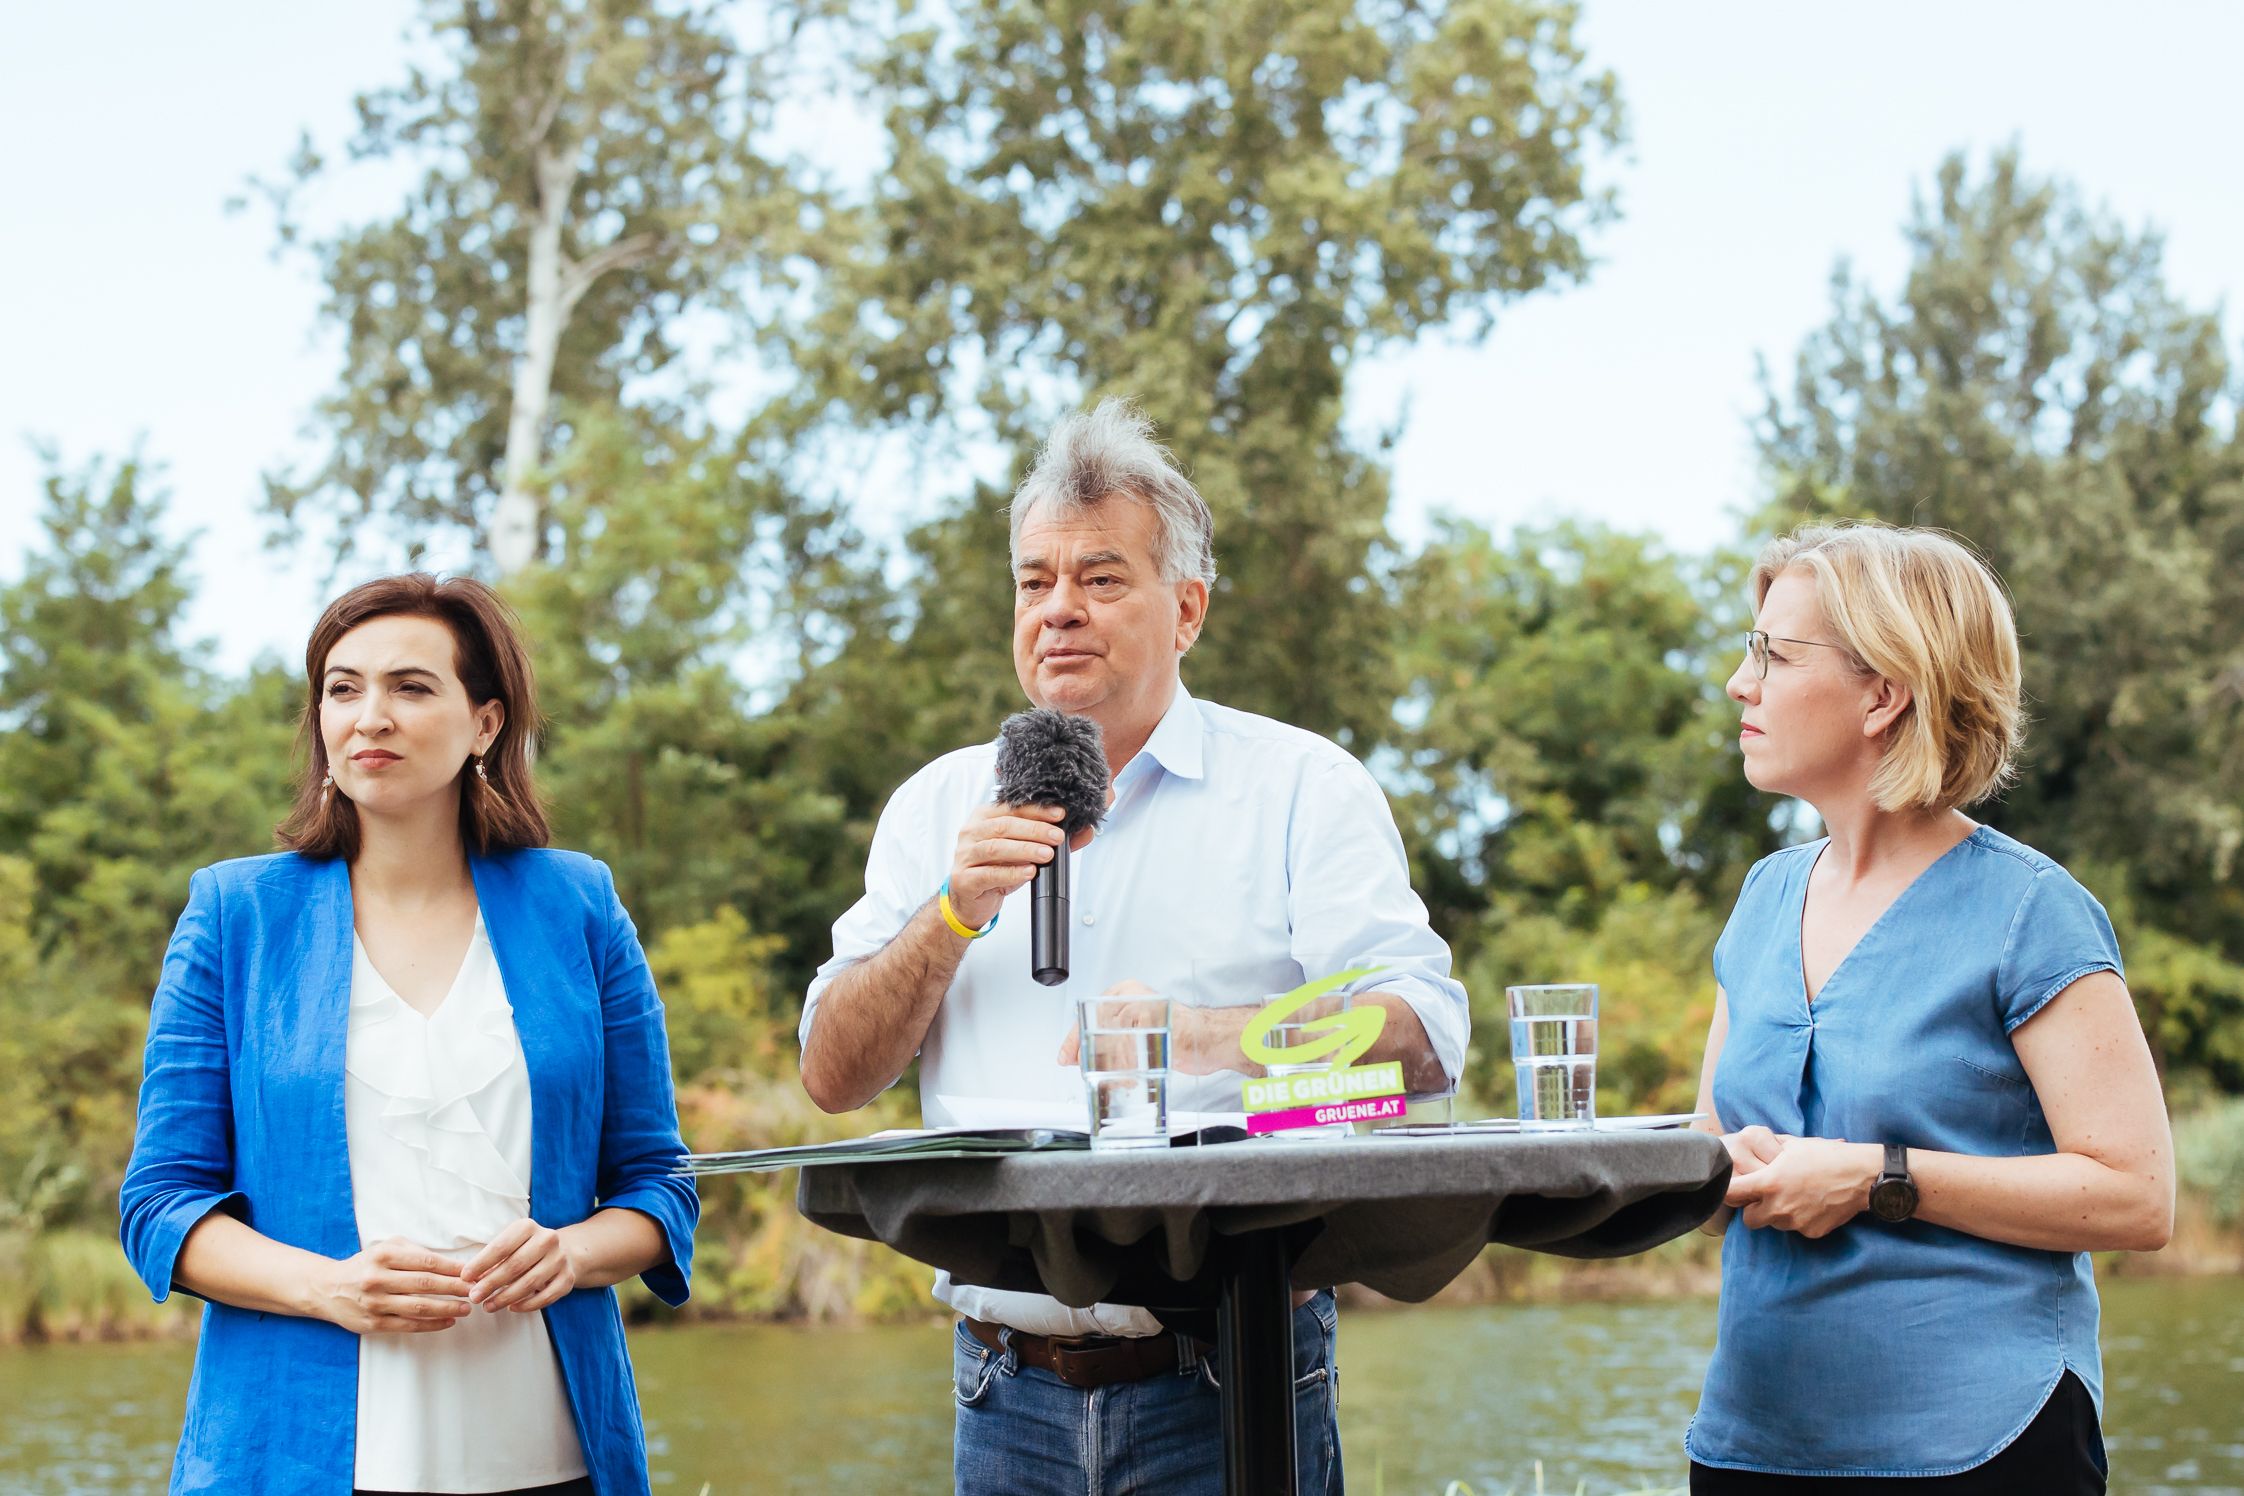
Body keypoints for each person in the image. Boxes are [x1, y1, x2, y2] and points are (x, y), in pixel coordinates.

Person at [799, 399, 1467, 1495]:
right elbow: (832, 1075)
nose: (1059, 608)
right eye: (1035, 581)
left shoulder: (1301, 786)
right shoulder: (935, 807)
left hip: (1234, 1369)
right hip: (1001, 1385)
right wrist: (952, 913)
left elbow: (1426, 1042)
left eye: (1101, 578)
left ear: (1187, 609)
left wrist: (1205, 1036)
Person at [119, 574, 698, 1496]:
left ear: (486, 724)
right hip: (294, 1457)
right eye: (343, 689)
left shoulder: (580, 904)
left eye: (412, 687)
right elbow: (161, 1204)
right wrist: (326, 1287)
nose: (370, 716)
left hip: (551, 1454)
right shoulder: (236, 915)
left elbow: (659, 1184)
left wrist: (573, 1252)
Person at [1685, 522, 2173, 1492]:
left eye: (1775, 654)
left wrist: (1877, 1177)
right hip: (1754, 1442)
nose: (1742, 684)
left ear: (1884, 692)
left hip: (1983, 1444)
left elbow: (2138, 1197)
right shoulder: (1763, 898)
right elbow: (1709, 1163)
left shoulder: (2031, 911)